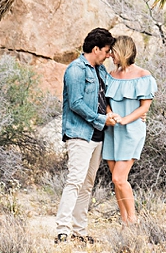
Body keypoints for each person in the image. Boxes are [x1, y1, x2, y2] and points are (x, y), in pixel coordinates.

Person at [55, 27, 119, 245]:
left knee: (87, 183)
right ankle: (63, 230)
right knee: (75, 180)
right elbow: (75, 103)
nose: (109, 55)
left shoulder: (100, 71)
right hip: (80, 134)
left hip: (97, 135)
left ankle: (79, 230)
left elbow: (110, 92)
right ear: (95, 49)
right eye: (107, 51)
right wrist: (101, 119)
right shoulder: (76, 70)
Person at [102, 34, 157, 225]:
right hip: (112, 131)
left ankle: (134, 221)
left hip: (131, 131)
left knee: (119, 178)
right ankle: (125, 221)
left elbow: (144, 107)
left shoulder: (144, 76)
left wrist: (124, 120)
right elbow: (105, 103)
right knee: (115, 181)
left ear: (123, 52)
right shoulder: (110, 76)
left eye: (113, 52)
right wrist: (111, 115)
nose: (110, 56)